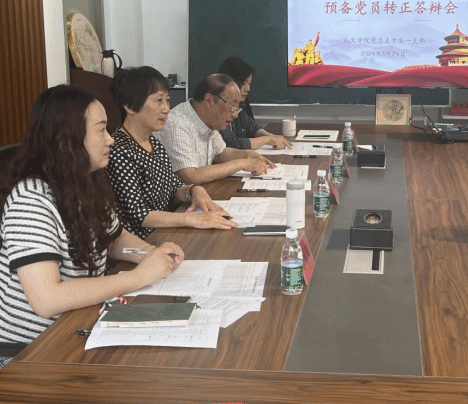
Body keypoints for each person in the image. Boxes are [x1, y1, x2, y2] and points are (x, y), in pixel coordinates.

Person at [0, 85, 184, 348]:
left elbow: (115, 239)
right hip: (30, 349)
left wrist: (150, 254)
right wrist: (138, 277)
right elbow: (47, 300)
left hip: (79, 324)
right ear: (67, 140)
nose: (110, 139)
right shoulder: (31, 199)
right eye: (101, 130)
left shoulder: (86, 182)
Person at [107, 67, 238, 239]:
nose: (166, 109)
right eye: (158, 101)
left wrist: (193, 190)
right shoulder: (119, 151)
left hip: (165, 232)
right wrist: (192, 219)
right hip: (140, 242)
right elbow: (140, 214)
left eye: (167, 100)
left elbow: (174, 188)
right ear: (130, 106)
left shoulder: (153, 142)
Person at [156, 73, 274, 184]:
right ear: (209, 100)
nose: (235, 114)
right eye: (232, 107)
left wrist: (247, 154)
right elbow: (191, 175)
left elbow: (219, 153)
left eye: (237, 108)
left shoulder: (208, 120)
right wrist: (242, 163)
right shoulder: (178, 124)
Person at [218, 57, 292, 150]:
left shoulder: (240, 107)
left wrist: (272, 137)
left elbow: (252, 128)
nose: (248, 89)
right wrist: (267, 139)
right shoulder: (218, 110)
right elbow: (232, 143)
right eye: (244, 83)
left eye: (249, 84)